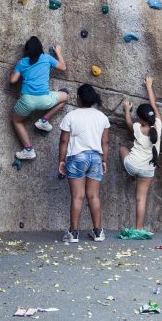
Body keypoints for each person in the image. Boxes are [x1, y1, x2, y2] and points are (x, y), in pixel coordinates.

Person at [58, 84, 110, 243]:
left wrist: (61, 160)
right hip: (95, 158)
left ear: (79, 98)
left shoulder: (71, 116)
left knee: (77, 196)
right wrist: (104, 160)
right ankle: (98, 232)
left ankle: (73, 233)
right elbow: (105, 142)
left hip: (77, 157)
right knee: (93, 195)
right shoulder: (102, 117)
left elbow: (63, 140)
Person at [9, 36, 68, 160]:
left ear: (27, 51)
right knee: (65, 97)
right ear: (41, 49)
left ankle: (28, 149)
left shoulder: (23, 62)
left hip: (27, 101)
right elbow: (63, 67)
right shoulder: (46, 58)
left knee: (17, 121)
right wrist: (58, 52)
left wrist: (17, 68)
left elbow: (13, 80)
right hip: (44, 100)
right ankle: (44, 120)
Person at [120, 76, 162, 234]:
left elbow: (128, 123)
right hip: (147, 170)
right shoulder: (158, 125)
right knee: (141, 199)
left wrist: (126, 110)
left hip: (133, 165)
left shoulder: (137, 127)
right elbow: (153, 105)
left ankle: (130, 174)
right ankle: (138, 229)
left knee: (123, 149)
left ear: (140, 118)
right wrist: (149, 87)